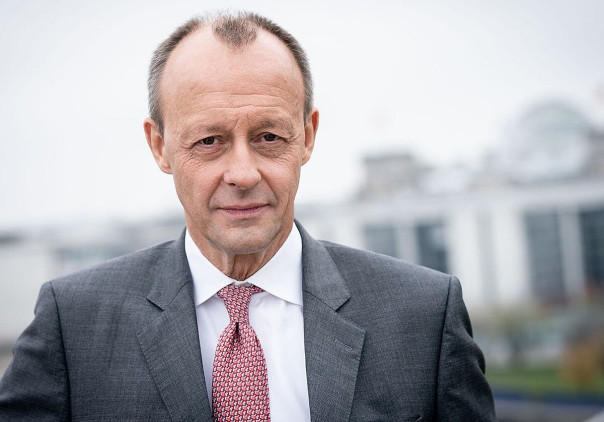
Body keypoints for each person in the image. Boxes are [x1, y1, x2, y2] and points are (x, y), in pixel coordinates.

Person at [0, 11, 496, 421]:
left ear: (307, 136)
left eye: (269, 137)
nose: (242, 173)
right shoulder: (73, 326)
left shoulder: (424, 316)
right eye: (209, 140)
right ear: (159, 146)